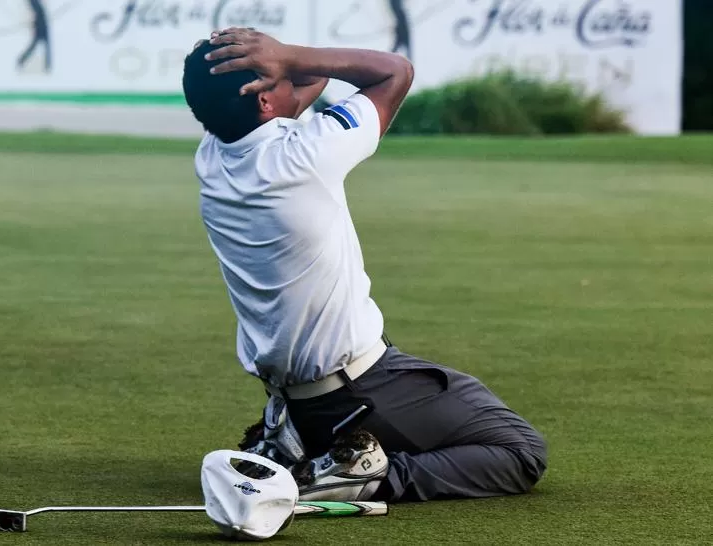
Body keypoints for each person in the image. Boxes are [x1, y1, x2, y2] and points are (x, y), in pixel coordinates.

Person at [182, 28, 547, 503]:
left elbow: (297, 92)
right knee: (520, 449)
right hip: (362, 393)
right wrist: (287, 54)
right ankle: (367, 475)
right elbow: (395, 71)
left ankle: (295, 443)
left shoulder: (213, 156)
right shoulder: (302, 157)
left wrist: (278, 64)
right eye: (277, 78)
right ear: (266, 103)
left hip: (299, 401)